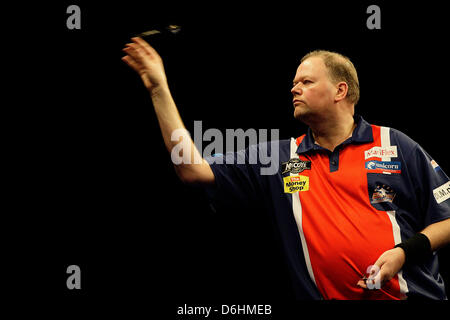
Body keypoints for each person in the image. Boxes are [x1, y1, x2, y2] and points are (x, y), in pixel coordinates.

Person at [122, 37, 450, 300]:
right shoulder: (282, 157)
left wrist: (403, 254)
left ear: (340, 90)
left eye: (306, 81)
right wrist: (158, 89)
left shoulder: (395, 144)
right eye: (294, 83)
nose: (294, 88)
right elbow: (192, 169)